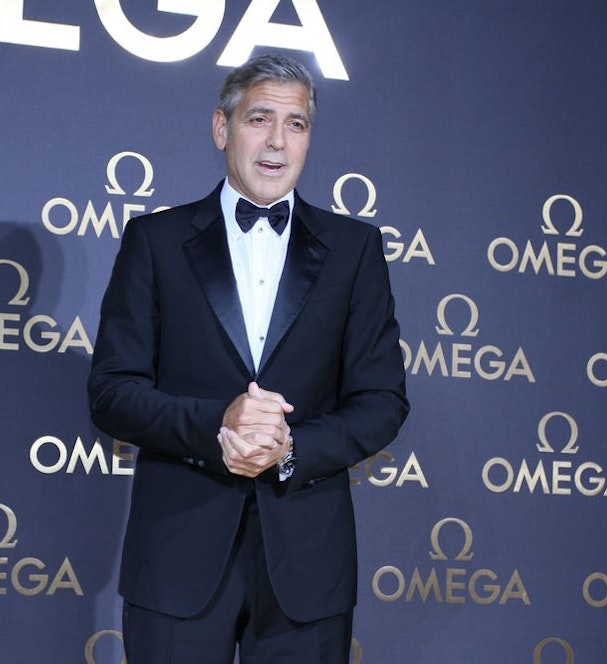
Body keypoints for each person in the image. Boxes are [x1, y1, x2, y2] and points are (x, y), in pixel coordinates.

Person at [88, 53, 409, 663]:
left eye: (296, 124)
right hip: (177, 555)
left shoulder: (355, 249)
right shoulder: (155, 241)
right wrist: (219, 425)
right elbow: (112, 391)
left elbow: (382, 401)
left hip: (307, 565)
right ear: (222, 128)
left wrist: (291, 449)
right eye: (260, 118)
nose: (277, 141)